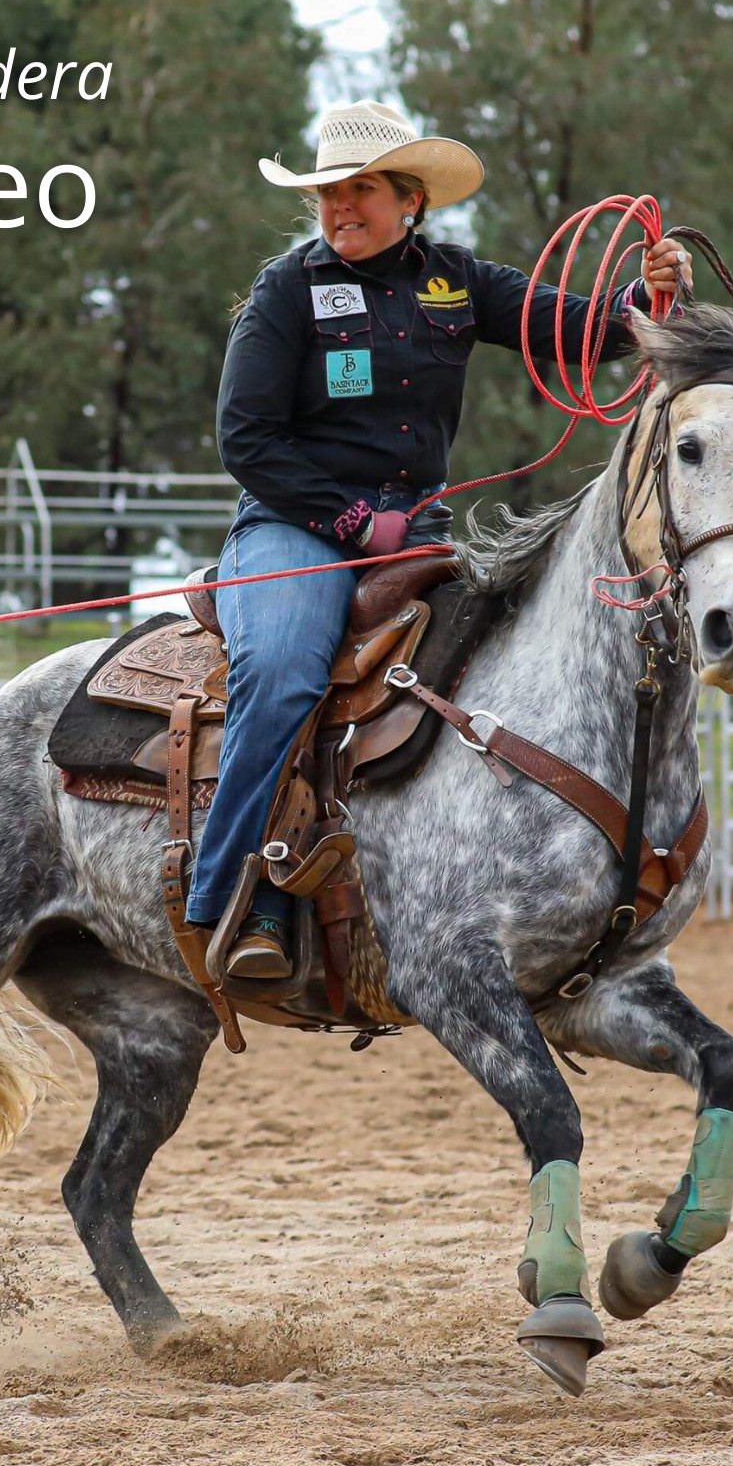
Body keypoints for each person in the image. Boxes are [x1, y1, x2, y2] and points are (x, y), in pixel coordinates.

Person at [184, 100, 690, 979]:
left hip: (417, 530)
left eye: (360, 190)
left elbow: (572, 328)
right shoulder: (286, 291)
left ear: (409, 199)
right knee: (286, 668)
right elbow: (246, 438)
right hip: (297, 527)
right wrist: (350, 520)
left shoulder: (456, 281)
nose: (340, 207)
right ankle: (229, 889)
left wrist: (646, 300)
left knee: (503, 669)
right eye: (328, 193)